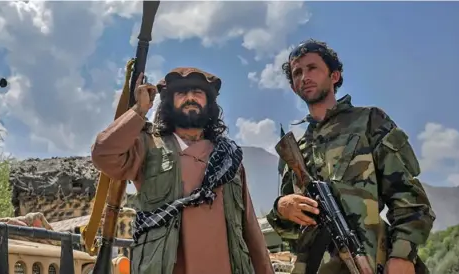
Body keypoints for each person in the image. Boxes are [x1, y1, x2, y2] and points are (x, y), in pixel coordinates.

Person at [266, 39, 436, 274]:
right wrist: (281, 207)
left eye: (312, 68)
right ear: (294, 87)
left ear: (334, 76)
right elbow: (291, 229)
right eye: (297, 72)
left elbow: (407, 195)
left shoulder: (369, 121)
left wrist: (402, 256)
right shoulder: (296, 149)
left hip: (373, 261)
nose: (304, 76)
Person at [91, 67, 274, 274]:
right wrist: (138, 111)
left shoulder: (229, 157)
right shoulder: (148, 146)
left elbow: (250, 228)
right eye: (181, 93)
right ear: (169, 102)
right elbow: (103, 154)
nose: (190, 98)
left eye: (197, 93)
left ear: (209, 103)